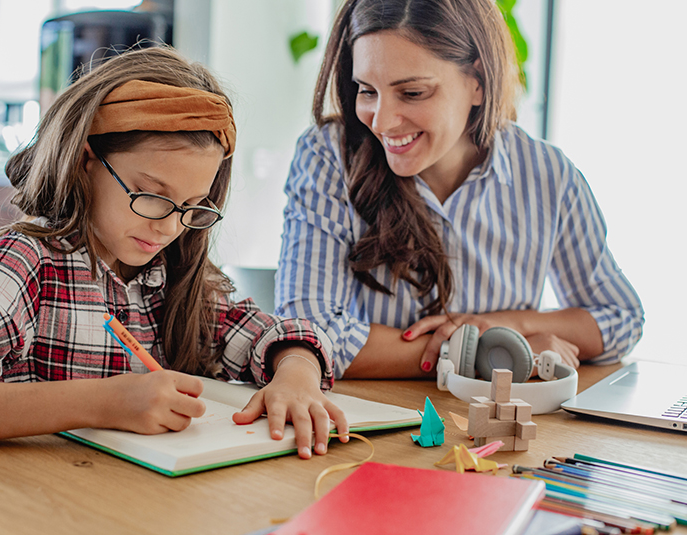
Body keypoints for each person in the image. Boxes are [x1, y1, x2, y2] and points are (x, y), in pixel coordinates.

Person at [0, 46, 348, 459]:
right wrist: (103, 402)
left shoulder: (171, 277)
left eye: (191, 206)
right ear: (87, 159)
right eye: (150, 194)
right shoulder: (30, 263)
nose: (168, 227)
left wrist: (296, 375)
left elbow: (279, 334)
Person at [275, 0, 644, 380]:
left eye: (413, 93)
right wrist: (485, 350)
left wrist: (506, 325)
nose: (382, 121)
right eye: (367, 91)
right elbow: (306, 334)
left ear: (478, 83)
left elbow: (620, 318)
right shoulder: (330, 154)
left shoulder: (547, 173)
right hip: (370, 421)